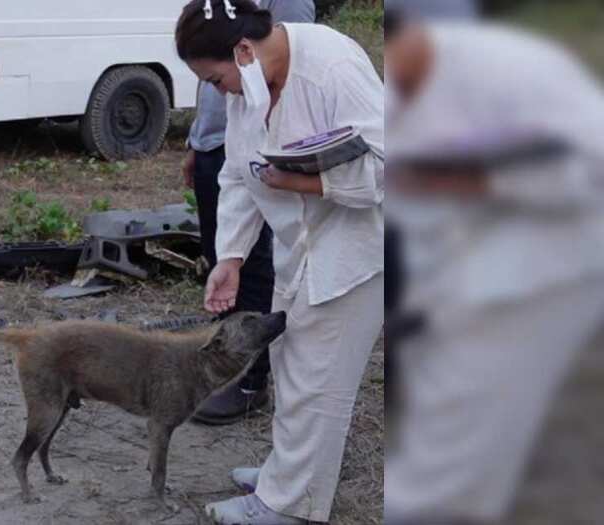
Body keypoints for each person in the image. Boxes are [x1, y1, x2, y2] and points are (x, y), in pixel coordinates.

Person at [384, 12, 604, 524]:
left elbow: (590, 167)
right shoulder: (399, 98)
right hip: (457, 266)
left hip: (551, 262)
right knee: (444, 404)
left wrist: (482, 183)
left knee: (467, 437)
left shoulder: (515, 68)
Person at [175, 1, 384, 523]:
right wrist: (231, 256)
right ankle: (285, 473)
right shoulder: (252, 82)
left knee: (321, 379)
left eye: (215, 79)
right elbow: (237, 175)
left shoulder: (333, 68)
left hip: (359, 248)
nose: (218, 91)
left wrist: (309, 182)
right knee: (292, 361)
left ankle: (289, 506)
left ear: (243, 51)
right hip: (301, 244)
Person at [185, 0, 315, 425]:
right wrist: (196, 141)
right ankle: (229, 369)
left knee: (260, 275)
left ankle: (249, 380)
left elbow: (282, 77)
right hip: (222, 150)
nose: (218, 89)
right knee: (228, 261)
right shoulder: (212, 15)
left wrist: (295, 177)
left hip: (275, 171)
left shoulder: (287, 21)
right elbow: (216, 90)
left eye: (217, 79)